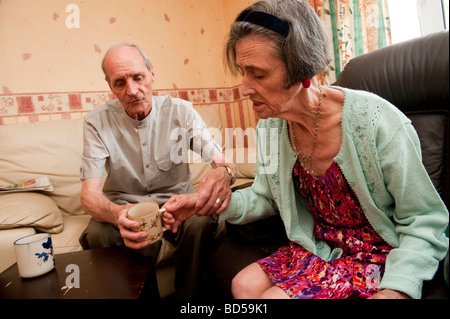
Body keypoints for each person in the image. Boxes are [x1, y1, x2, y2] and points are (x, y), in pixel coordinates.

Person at [162, 0, 449, 299]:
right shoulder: (271, 127)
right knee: (242, 285)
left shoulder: (377, 123)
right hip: (320, 247)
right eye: (242, 72)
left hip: (377, 255)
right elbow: (265, 197)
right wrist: (204, 204)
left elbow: (425, 219)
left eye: (258, 74)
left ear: (302, 70)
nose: (244, 88)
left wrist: (397, 291)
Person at [79, 42, 236, 298]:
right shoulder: (96, 122)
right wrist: (118, 213)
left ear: (152, 73)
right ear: (110, 86)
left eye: (138, 77)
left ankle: (189, 299)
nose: (132, 90)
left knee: (201, 221)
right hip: (126, 209)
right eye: (120, 83)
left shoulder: (181, 112)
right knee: (96, 232)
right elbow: (89, 196)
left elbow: (224, 163)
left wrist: (222, 174)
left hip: (176, 208)